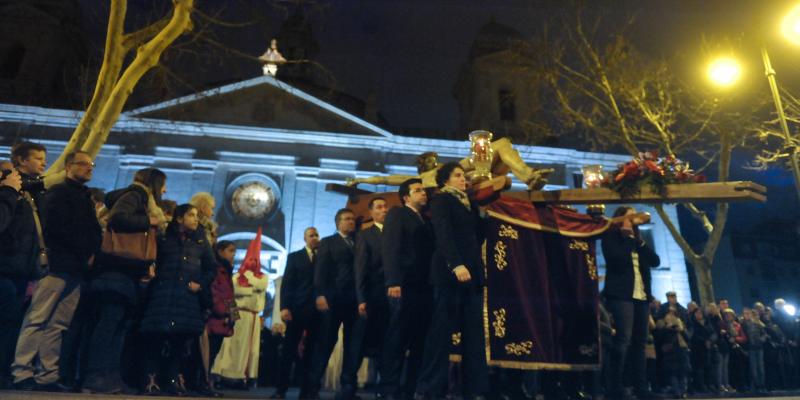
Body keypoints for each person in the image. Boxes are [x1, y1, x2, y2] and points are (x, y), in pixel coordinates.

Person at [11, 151, 102, 392]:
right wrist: (84, 250)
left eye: (91, 164)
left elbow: (91, 230)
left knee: (58, 323)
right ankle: (22, 371)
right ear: (69, 166)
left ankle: (47, 375)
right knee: (38, 318)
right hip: (58, 264)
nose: (89, 168)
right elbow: (56, 227)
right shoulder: (59, 193)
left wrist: (90, 251)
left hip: (75, 267)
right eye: (83, 164)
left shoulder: (84, 195)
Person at [82, 167, 168, 393]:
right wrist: (148, 220)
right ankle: (96, 375)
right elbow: (118, 218)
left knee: (119, 325)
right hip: (116, 270)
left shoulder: (141, 199)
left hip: (127, 272)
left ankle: (111, 376)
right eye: (163, 185)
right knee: (109, 323)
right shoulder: (135, 196)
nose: (165, 190)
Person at [416, 162, 489, 400]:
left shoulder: (470, 203)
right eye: (458, 175)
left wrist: (482, 213)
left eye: (464, 176)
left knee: (473, 332)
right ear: (446, 180)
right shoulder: (441, 200)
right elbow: (444, 234)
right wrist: (456, 264)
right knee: (441, 332)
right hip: (449, 274)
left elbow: (477, 237)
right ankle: (430, 389)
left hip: (473, 274)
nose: (463, 179)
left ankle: (474, 389)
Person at [139, 204, 216, 395]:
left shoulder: (200, 242)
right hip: (163, 296)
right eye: (191, 215)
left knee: (179, 341)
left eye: (196, 215)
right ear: (179, 218)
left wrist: (200, 283)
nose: (196, 219)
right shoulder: (164, 239)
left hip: (186, 298)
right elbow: (154, 260)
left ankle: (172, 380)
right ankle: (151, 380)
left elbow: (211, 268)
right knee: (155, 339)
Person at [379, 178, 435, 400]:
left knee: (419, 339)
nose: (424, 193)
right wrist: (393, 281)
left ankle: (408, 389)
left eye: (424, 190)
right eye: (418, 190)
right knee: (398, 338)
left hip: (424, 286)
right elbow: (390, 247)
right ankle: (389, 388)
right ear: (406, 197)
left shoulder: (426, 220)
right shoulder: (398, 214)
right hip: (404, 284)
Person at [601, 206, 661, 400]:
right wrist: (627, 238)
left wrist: (639, 242)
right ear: (620, 219)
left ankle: (641, 388)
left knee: (640, 343)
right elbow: (616, 260)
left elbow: (655, 261)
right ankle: (614, 387)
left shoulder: (637, 242)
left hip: (641, 297)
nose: (634, 219)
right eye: (630, 216)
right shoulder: (611, 237)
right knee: (623, 340)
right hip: (621, 295)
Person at [307, 208, 359, 400]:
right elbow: (320, 271)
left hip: (354, 301)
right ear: (338, 223)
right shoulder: (328, 242)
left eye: (353, 218)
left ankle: (347, 388)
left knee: (353, 346)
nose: (351, 221)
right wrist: (320, 294)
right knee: (326, 343)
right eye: (347, 219)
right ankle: (312, 387)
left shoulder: (359, 242)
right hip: (332, 300)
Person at [212, 229, 269, 388]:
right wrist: (232, 314)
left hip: (253, 316)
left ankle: (243, 377)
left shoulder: (262, 277)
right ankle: (224, 375)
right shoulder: (237, 276)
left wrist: (250, 278)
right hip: (238, 313)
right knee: (232, 346)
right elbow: (231, 291)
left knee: (249, 349)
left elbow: (261, 286)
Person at [271, 227, 321, 399]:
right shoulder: (295, 257)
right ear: (305, 238)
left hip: (316, 312)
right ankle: (281, 390)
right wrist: (284, 307)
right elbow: (287, 284)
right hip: (296, 310)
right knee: (288, 351)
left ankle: (307, 391)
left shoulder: (324, 256)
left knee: (312, 353)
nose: (315, 238)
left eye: (316, 235)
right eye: (311, 235)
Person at [347, 197, 389, 399]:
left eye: (386, 206)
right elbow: (360, 269)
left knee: (385, 345)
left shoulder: (395, 233)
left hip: (390, 299)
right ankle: (348, 387)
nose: (384, 210)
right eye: (379, 207)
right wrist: (361, 298)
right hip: (371, 297)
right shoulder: (365, 235)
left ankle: (385, 388)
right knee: (360, 344)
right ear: (371, 212)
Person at [205, 240, 238, 395]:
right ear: (220, 252)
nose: (233, 254)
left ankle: (206, 383)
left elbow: (229, 294)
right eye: (230, 250)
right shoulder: (217, 270)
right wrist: (224, 312)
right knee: (209, 352)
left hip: (223, 320)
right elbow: (214, 293)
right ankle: (204, 383)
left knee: (213, 352)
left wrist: (233, 316)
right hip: (215, 319)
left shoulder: (226, 270)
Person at [742, 308, 767, 394]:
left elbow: (764, 334)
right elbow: (744, 336)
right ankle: (756, 386)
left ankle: (762, 386)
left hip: (759, 348)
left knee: (760, 368)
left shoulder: (759, 324)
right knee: (754, 368)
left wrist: (761, 339)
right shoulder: (745, 324)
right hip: (751, 348)